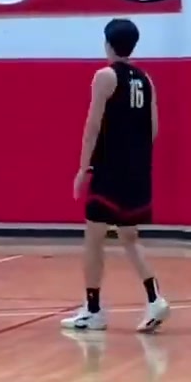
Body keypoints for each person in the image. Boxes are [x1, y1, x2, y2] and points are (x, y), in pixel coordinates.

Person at [61, 18, 169, 333]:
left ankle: (93, 310)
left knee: (94, 239)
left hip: (110, 170)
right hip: (138, 171)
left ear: (108, 43)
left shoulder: (105, 76)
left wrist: (83, 168)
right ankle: (155, 298)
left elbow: (92, 125)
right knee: (129, 237)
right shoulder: (146, 79)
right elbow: (153, 128)